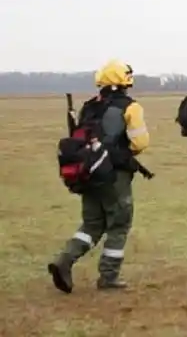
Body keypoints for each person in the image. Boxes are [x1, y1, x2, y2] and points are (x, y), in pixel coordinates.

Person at [48, 60, 150, 292]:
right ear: (124, 80)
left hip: (89, 172)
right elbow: (140, 142)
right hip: (115, 175)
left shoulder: (89, 106)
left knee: (92, 224)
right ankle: (109, 276)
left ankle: (64, 260)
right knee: (119, 223)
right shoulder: (131, 107)